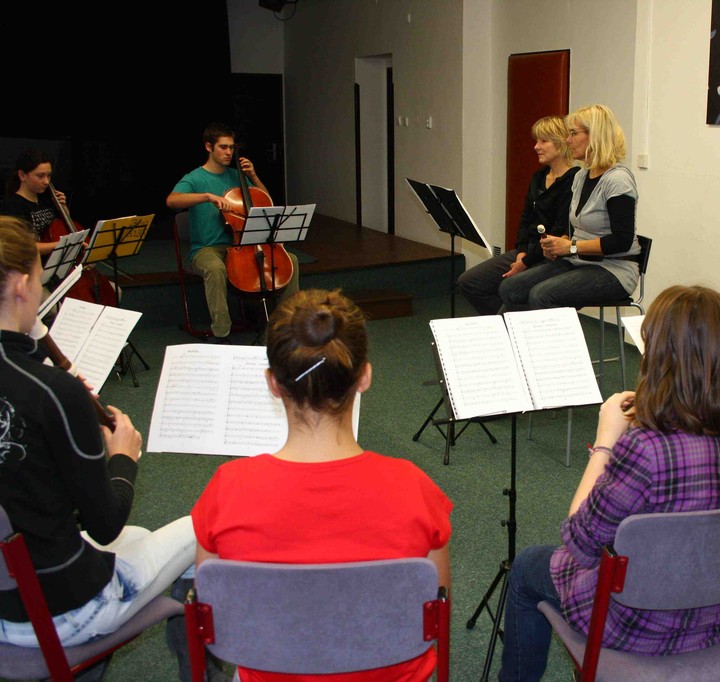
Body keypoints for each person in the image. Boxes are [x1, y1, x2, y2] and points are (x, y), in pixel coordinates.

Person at [497, 285, 720, 681]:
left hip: (639, 627)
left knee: (526, 566)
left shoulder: (646, 448)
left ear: (658, 357)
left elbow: (580, 542)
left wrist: (605, 442)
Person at [191, 288, 453, 682]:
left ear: (273, 383)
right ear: (365, 376)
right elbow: (434, 614)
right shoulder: (415, 487)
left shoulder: (227, 489)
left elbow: (217, 617)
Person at [0, 217, 196, 652]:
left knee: (141, 537)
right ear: (20, 286)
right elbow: (105, 525)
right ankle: (201, 658)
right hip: (62, 611)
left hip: (7, 604)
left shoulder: (43, 387)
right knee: (204, 529)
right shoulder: (52, 391)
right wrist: (122, 457)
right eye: (40, 279)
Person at [166, 122, 300, 342]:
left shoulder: (237, 175)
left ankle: (285, 329)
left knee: (290, 260)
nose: (229, 152)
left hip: (242, 245)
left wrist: (254, 177)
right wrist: (207, 196)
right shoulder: (195, 178)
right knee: (215, 268)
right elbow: (172, 201)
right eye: (223, 147)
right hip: (208, 248)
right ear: (208, 147)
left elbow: (265, 203)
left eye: (231, 147)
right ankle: (222, 332)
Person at [498, 104, 640, 312]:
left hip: (614, 269)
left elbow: (622, 240)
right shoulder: (581, 176)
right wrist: (559, 244)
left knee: (542, 295)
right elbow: (575, 230)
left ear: (595, 135)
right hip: (579, 261)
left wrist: (571, 247)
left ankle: (551, 334)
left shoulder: (618, 180)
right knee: (511, 288)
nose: (568, 140)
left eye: (573, 133)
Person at [457, 115, 580, 315]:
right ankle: (510, 323)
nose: (536, 147)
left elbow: (559, 231)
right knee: (469, 282)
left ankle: (511, 321)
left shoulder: (574, 180)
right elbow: (525, 220)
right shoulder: (538, 177)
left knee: (512, 295)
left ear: (560, 143)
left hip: (550, 257)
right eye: (536, 141)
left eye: (543, 141)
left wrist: (526, 262)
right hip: (527, 252)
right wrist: (522, 252)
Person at [1, 149, 66, 256]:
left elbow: (62, 227)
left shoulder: (47, 198)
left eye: (49, 175)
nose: (46, 182)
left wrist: (63, 208)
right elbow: (21, 246)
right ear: (22, 175)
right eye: (40, 176)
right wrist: (62, 245)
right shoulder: (13, 205)